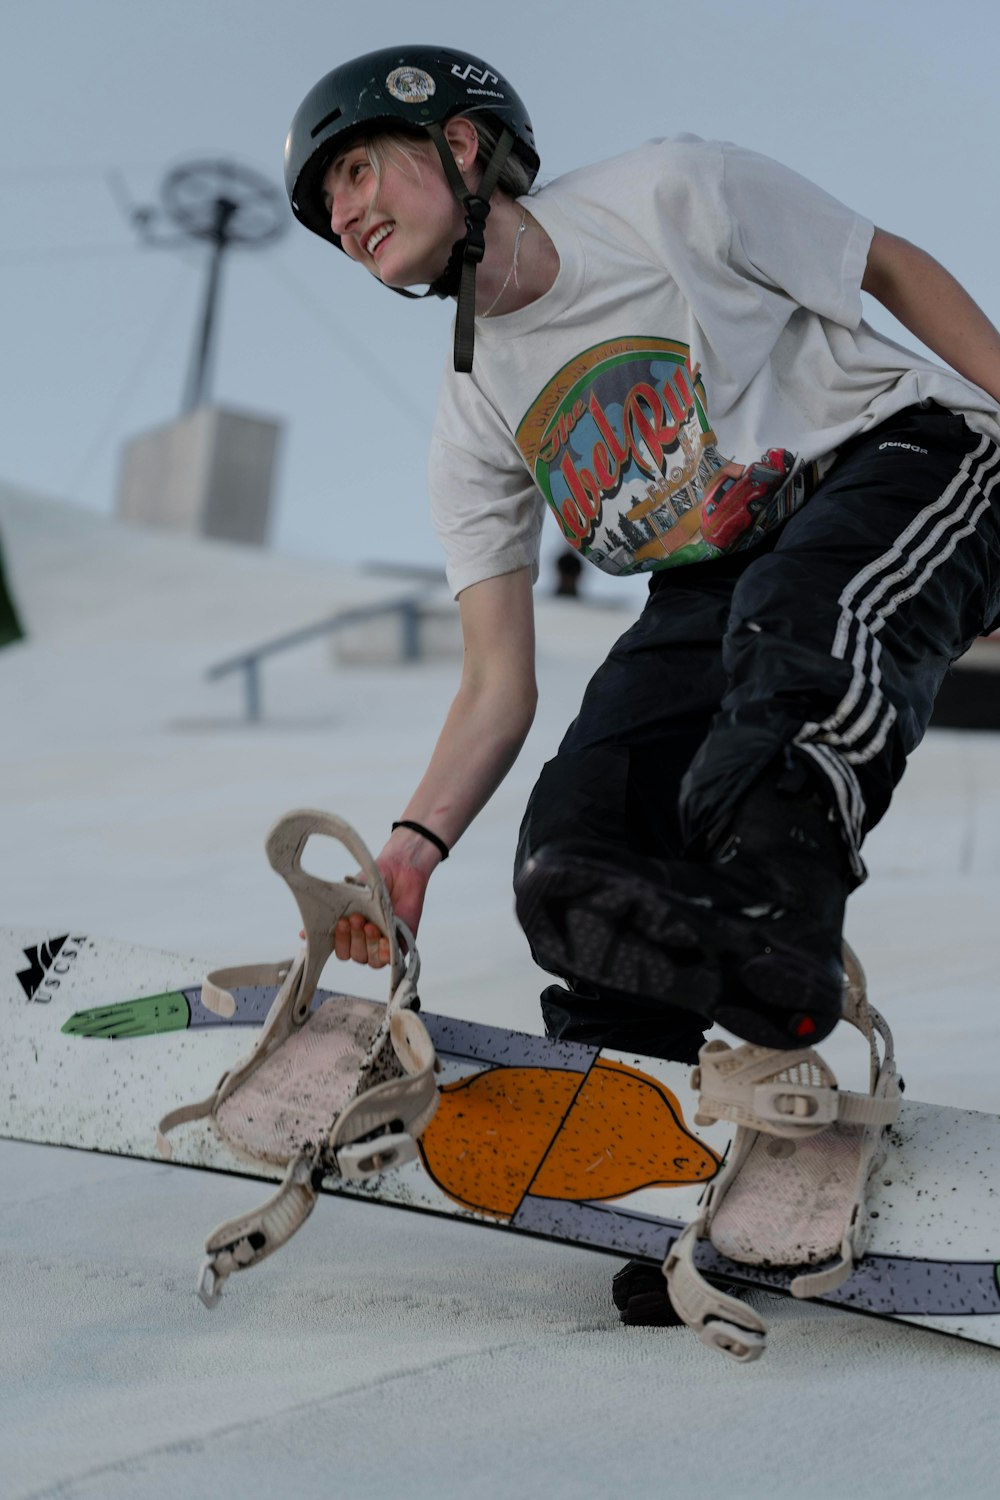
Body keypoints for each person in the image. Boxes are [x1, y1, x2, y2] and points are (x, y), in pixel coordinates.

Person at [284, 45, 1000, 1322]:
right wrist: (409, 850)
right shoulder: (473, 418)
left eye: (354, 169)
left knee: (794, 642)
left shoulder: (672, 192)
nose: (341, 215)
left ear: (460, 147)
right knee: (584, 829)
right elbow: (498, 679)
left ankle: (780, 944)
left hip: (908, 458)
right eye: (325, 207)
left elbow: (885, 265)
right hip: (718, 569)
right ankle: (673, 1168)